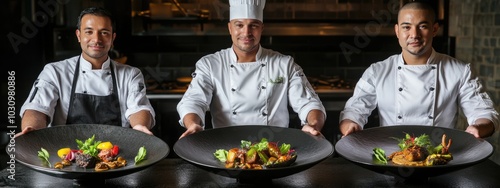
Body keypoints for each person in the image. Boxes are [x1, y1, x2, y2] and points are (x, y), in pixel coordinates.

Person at [339, 1, 499, 139]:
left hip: (440, 159)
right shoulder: (377, 71)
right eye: (406, 27)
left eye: (422, 26)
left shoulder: (460, 71)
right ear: (397, 31)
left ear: (435, 29)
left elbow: (483, 112)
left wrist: (478, 128)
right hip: (392, 157)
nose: (414, 35)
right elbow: (355, 109)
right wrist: (351, 124)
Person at [176, 0, 326, 138]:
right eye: (239, 25)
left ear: (261, 28)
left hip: (274, 150)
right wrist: (193, 124)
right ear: (230, 28)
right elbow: (194, 101)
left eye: (253, 25)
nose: (246, 33)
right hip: (227, 149)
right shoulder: (210, 64)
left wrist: (312, 125)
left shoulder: (284, 64)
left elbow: (309, 103)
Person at [18, 7, 155, 135]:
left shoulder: (130, 74)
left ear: (112, 38)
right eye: (89, 32)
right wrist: (32, 129)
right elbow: (37, 108)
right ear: (78, 35)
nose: (96, 39)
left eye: (104, 33)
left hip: (116, 154)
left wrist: (139, 127)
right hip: (65, 154)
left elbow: (138, 108)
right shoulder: (55, 72)